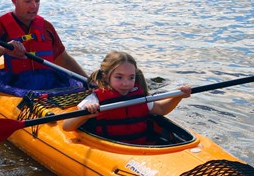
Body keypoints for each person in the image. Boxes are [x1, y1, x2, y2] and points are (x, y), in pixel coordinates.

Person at [62, 51, 191, 144]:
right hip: (108, 148)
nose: (126, 83)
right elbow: (67, 126)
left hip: (139, 146)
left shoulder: (139, 97)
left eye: (131, 77)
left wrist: (178, 97)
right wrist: (85, 114)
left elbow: (161, 109)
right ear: (106, 77)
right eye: (119, 77)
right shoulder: (95, 100)